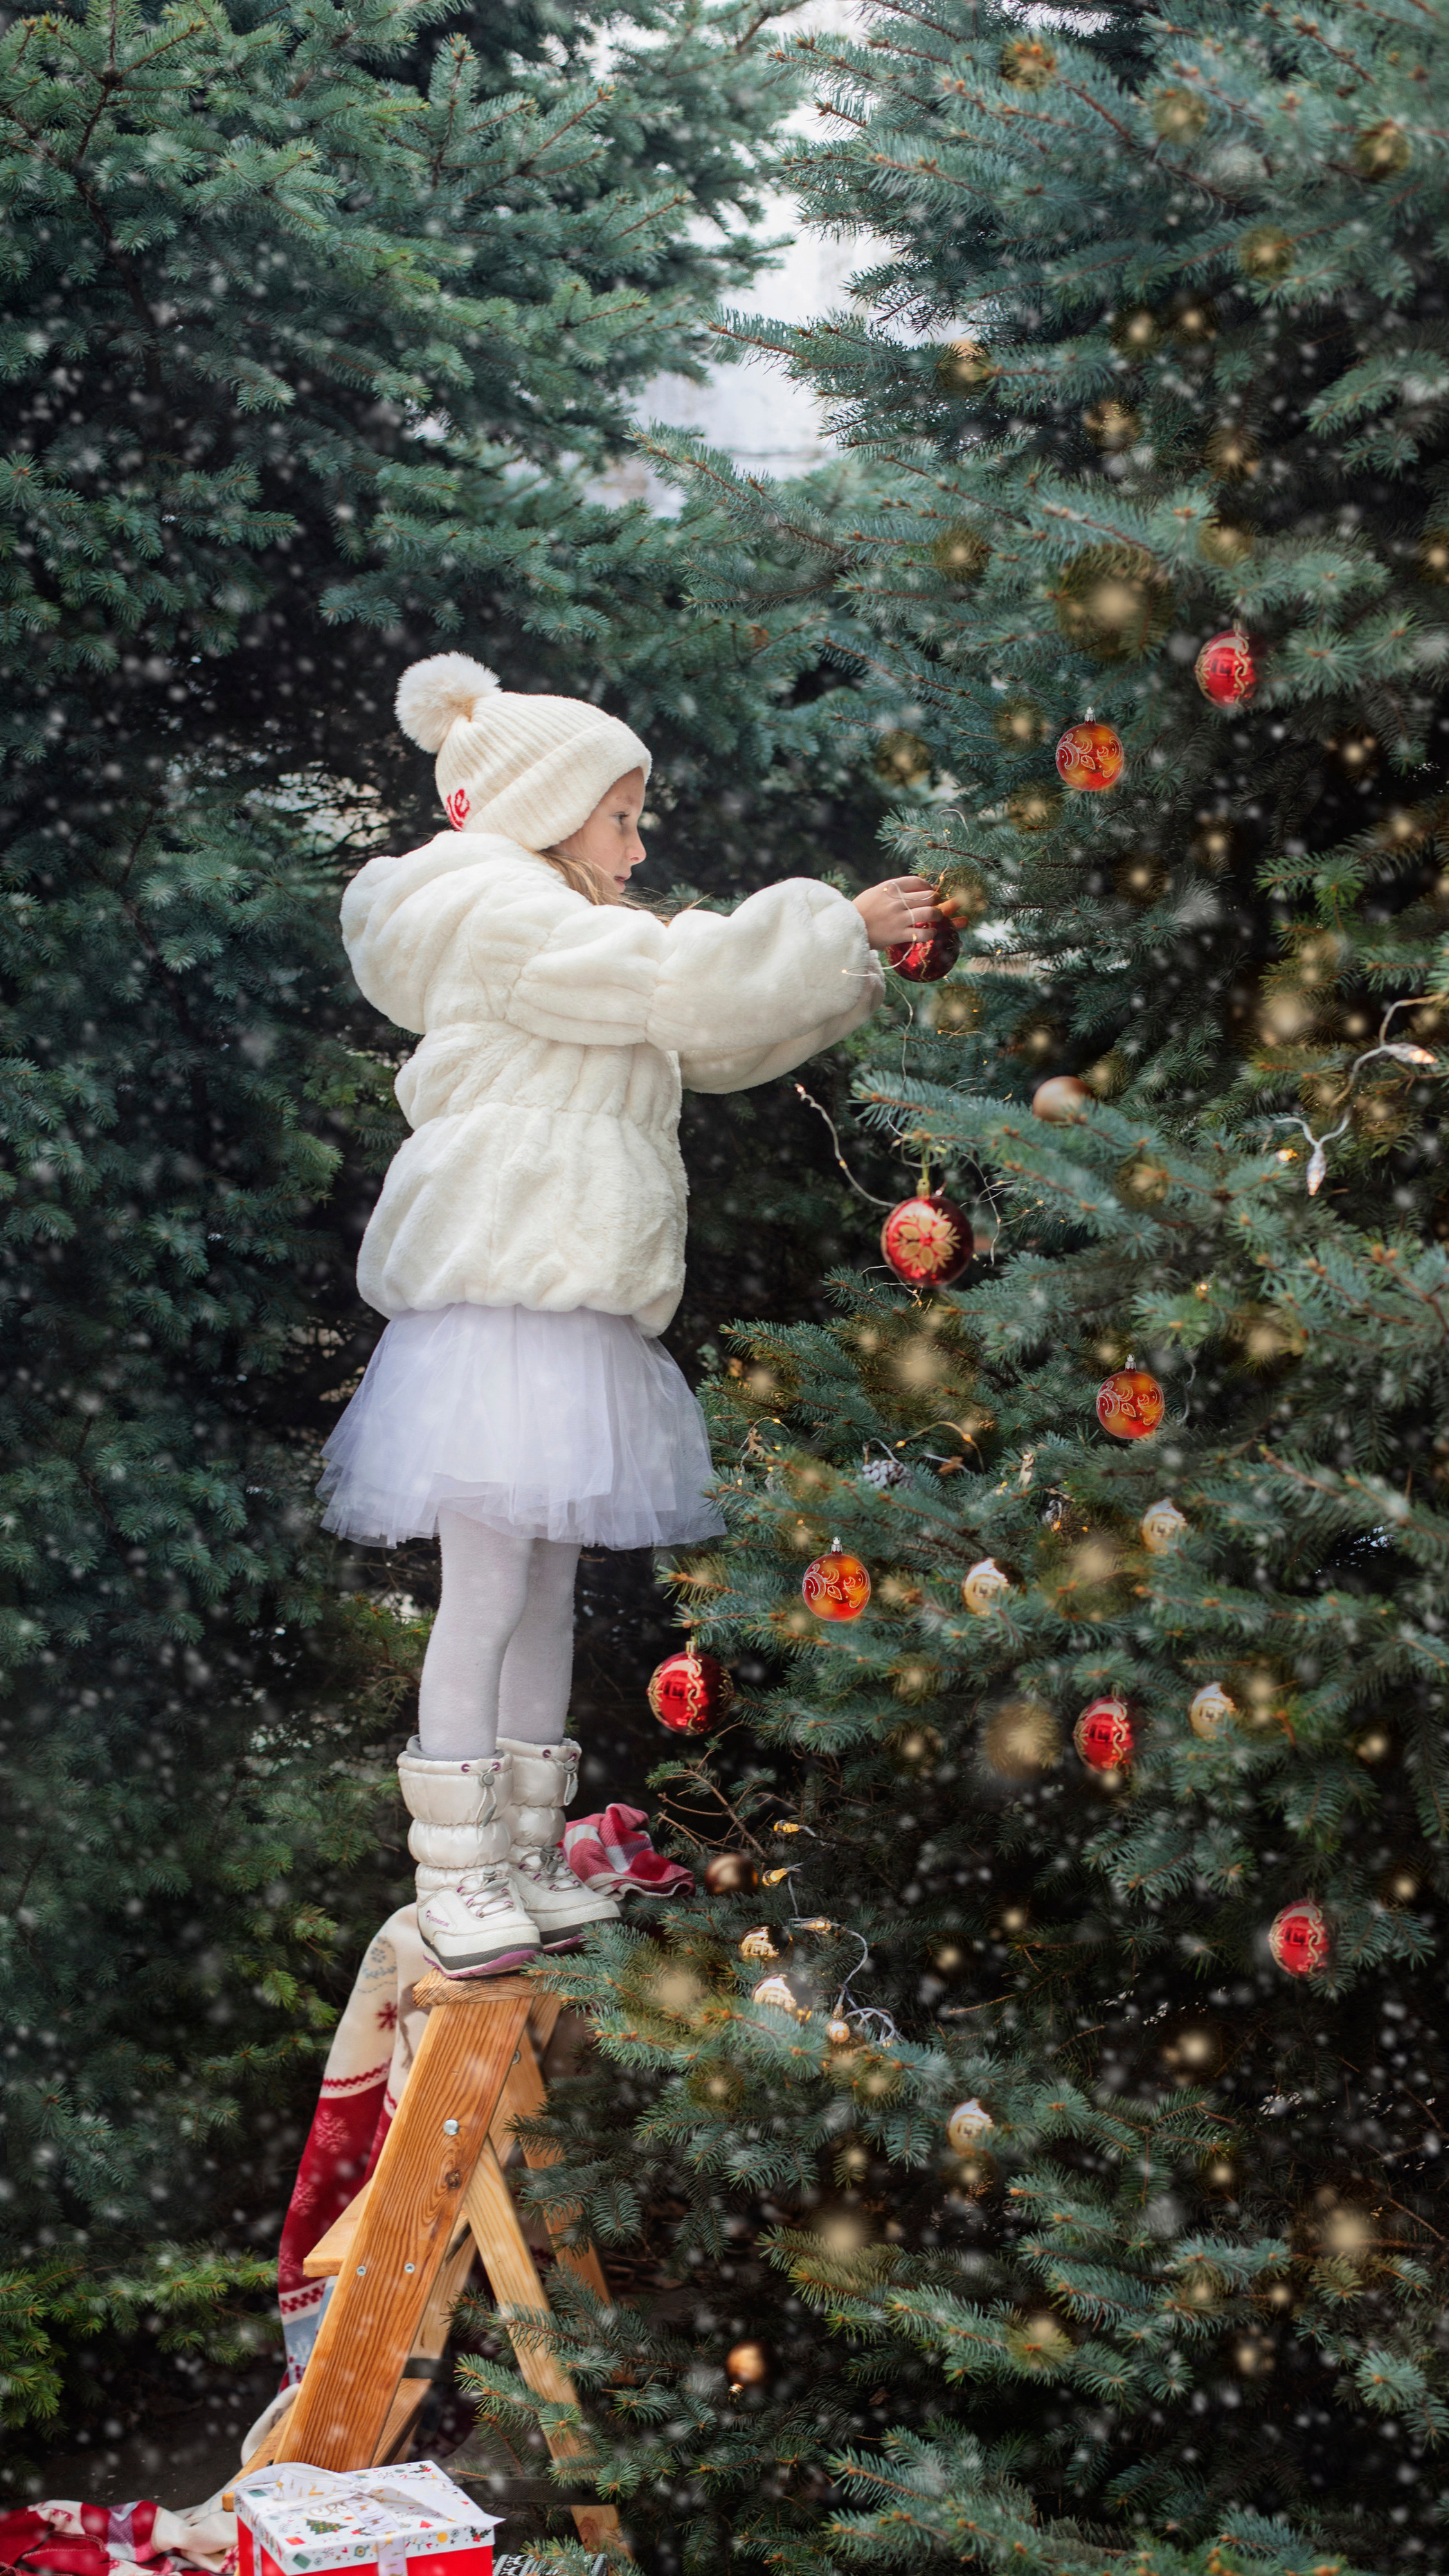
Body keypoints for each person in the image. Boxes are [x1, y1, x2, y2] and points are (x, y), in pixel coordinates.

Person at [318, 654, 940, 1975]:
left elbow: (707, 1034)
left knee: (545, 1594)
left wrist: (826, 968)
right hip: (504, 1308)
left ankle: (530, 1851)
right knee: (487, 1592)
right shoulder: (511, 919)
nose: (639, 841)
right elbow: (678, 982)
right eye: (621, 816)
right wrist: (841, 923)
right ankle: (457, 1870)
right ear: (545, 809)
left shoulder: (560, 922)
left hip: (565, 1302)